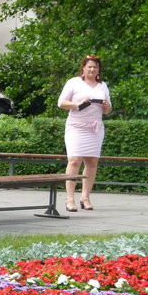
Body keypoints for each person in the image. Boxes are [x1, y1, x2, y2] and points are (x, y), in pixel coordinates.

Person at [57, 55, 112, 211]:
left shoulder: (103, 86)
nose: (92, 69)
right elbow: (61, 103)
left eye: (95, 67)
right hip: (76, 126)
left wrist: (107, 105)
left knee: (92, 162)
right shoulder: (73, 82)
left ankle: (85, 197)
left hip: (95, 128)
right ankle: (69, 199)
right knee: (74, 160)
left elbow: (108, 111)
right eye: (89, 67)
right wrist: (79, 104)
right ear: (83, 68)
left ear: (99, 69)